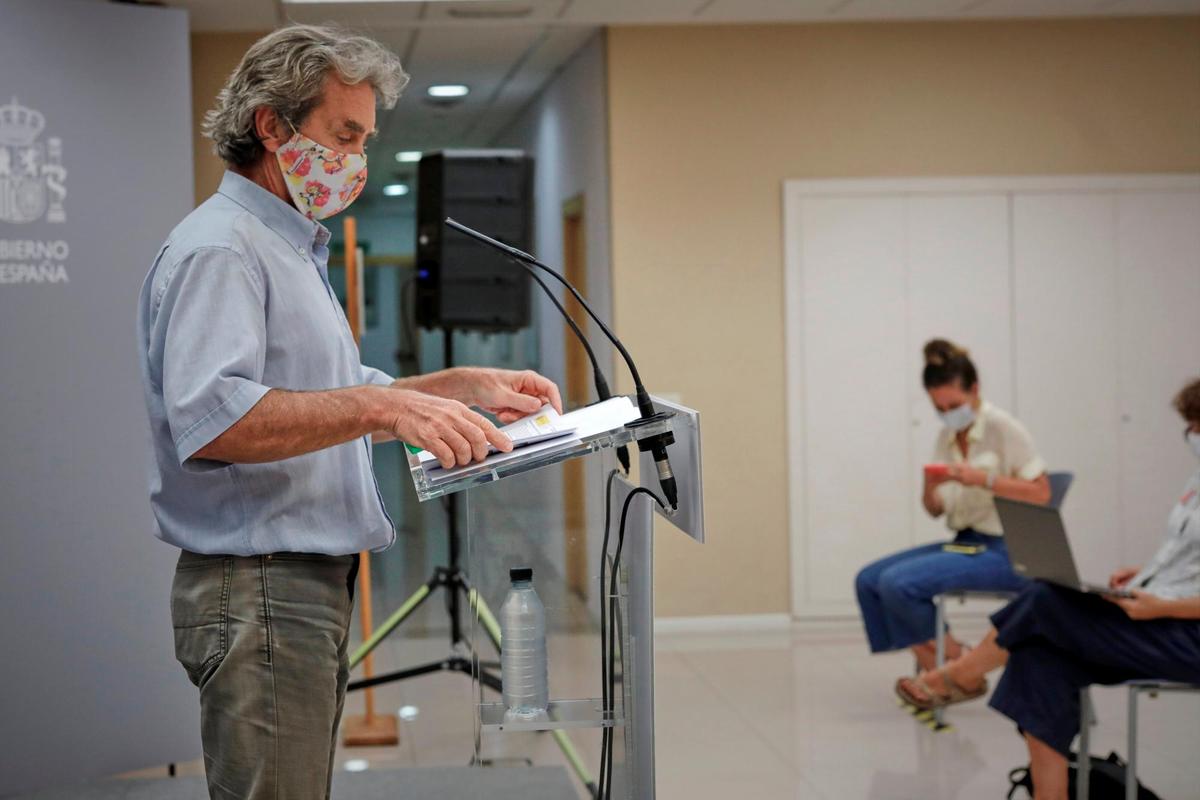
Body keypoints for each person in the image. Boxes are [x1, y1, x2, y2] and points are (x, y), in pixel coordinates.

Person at [136, 25, 562, 800]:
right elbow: (215, 421)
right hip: (260, 586)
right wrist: (378, 407)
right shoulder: (223, 250)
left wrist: (461, 384)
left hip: (295, 586)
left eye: (366, 140)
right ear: (272, 125)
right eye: (345, 135)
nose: (358, 161)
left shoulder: (287, 247)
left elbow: (332, 390)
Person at [895, 377, 1200, 800]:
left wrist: (1165, 608)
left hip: (1187, 634)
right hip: (1161, 613)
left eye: (1199, 428)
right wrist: (1146, 573)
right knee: (1038, 656)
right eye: (1191, 428)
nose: (1193, 438)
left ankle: (961, 674)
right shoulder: (1196, 480)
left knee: (1044, 600)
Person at [855, 339, 1051, 672]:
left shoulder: (1003, 428)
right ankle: (949, 660)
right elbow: (935, 510)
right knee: (869, 581)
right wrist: (929, 488)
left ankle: (948, 671)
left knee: (898, 584)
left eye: (954, 405)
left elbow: (1041, 493)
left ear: (975, 389)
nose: (948, 415)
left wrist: (982, 479)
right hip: (968, 544)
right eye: (940, 409)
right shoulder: (945, 438)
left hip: (1008, 551)